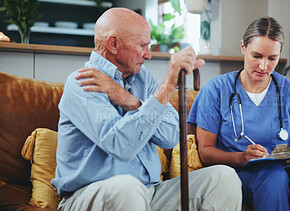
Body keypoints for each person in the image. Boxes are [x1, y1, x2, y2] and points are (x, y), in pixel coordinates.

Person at [51, 7, 242, 211]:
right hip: (89, 195)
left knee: (223, 177)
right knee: (128, 188)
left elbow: (171, 135)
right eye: (142, 45)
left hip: (149, 192)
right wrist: (168, 85)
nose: (148, 55)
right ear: (113, 44)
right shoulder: (82, 82)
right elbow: (120, 146)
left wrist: (132, 102)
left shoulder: (143, 78)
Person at [188, 16, 290, 211]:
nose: (264, 66)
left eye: (272, 59)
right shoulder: (216, 90)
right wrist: (242, 157)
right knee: (272, 177)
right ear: (243, 47)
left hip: (281, 169)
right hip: (237, 172)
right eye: (257, 56)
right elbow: (205, 152)